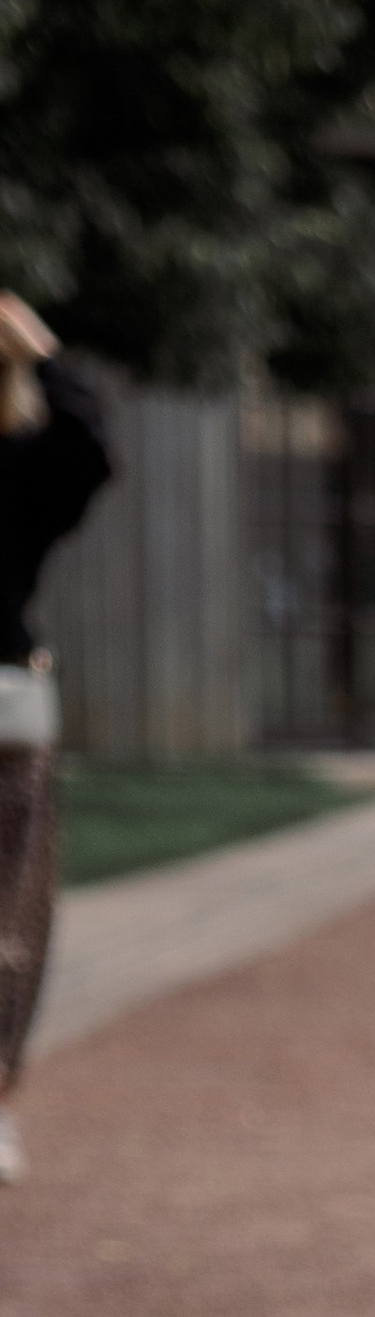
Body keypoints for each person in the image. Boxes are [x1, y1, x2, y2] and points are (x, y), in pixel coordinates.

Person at [0, 293, 114, 1185]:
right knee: (11, 917)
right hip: (8, 700)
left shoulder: (22, 468)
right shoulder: (27, 468)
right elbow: (90, 442)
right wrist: (41, 350)